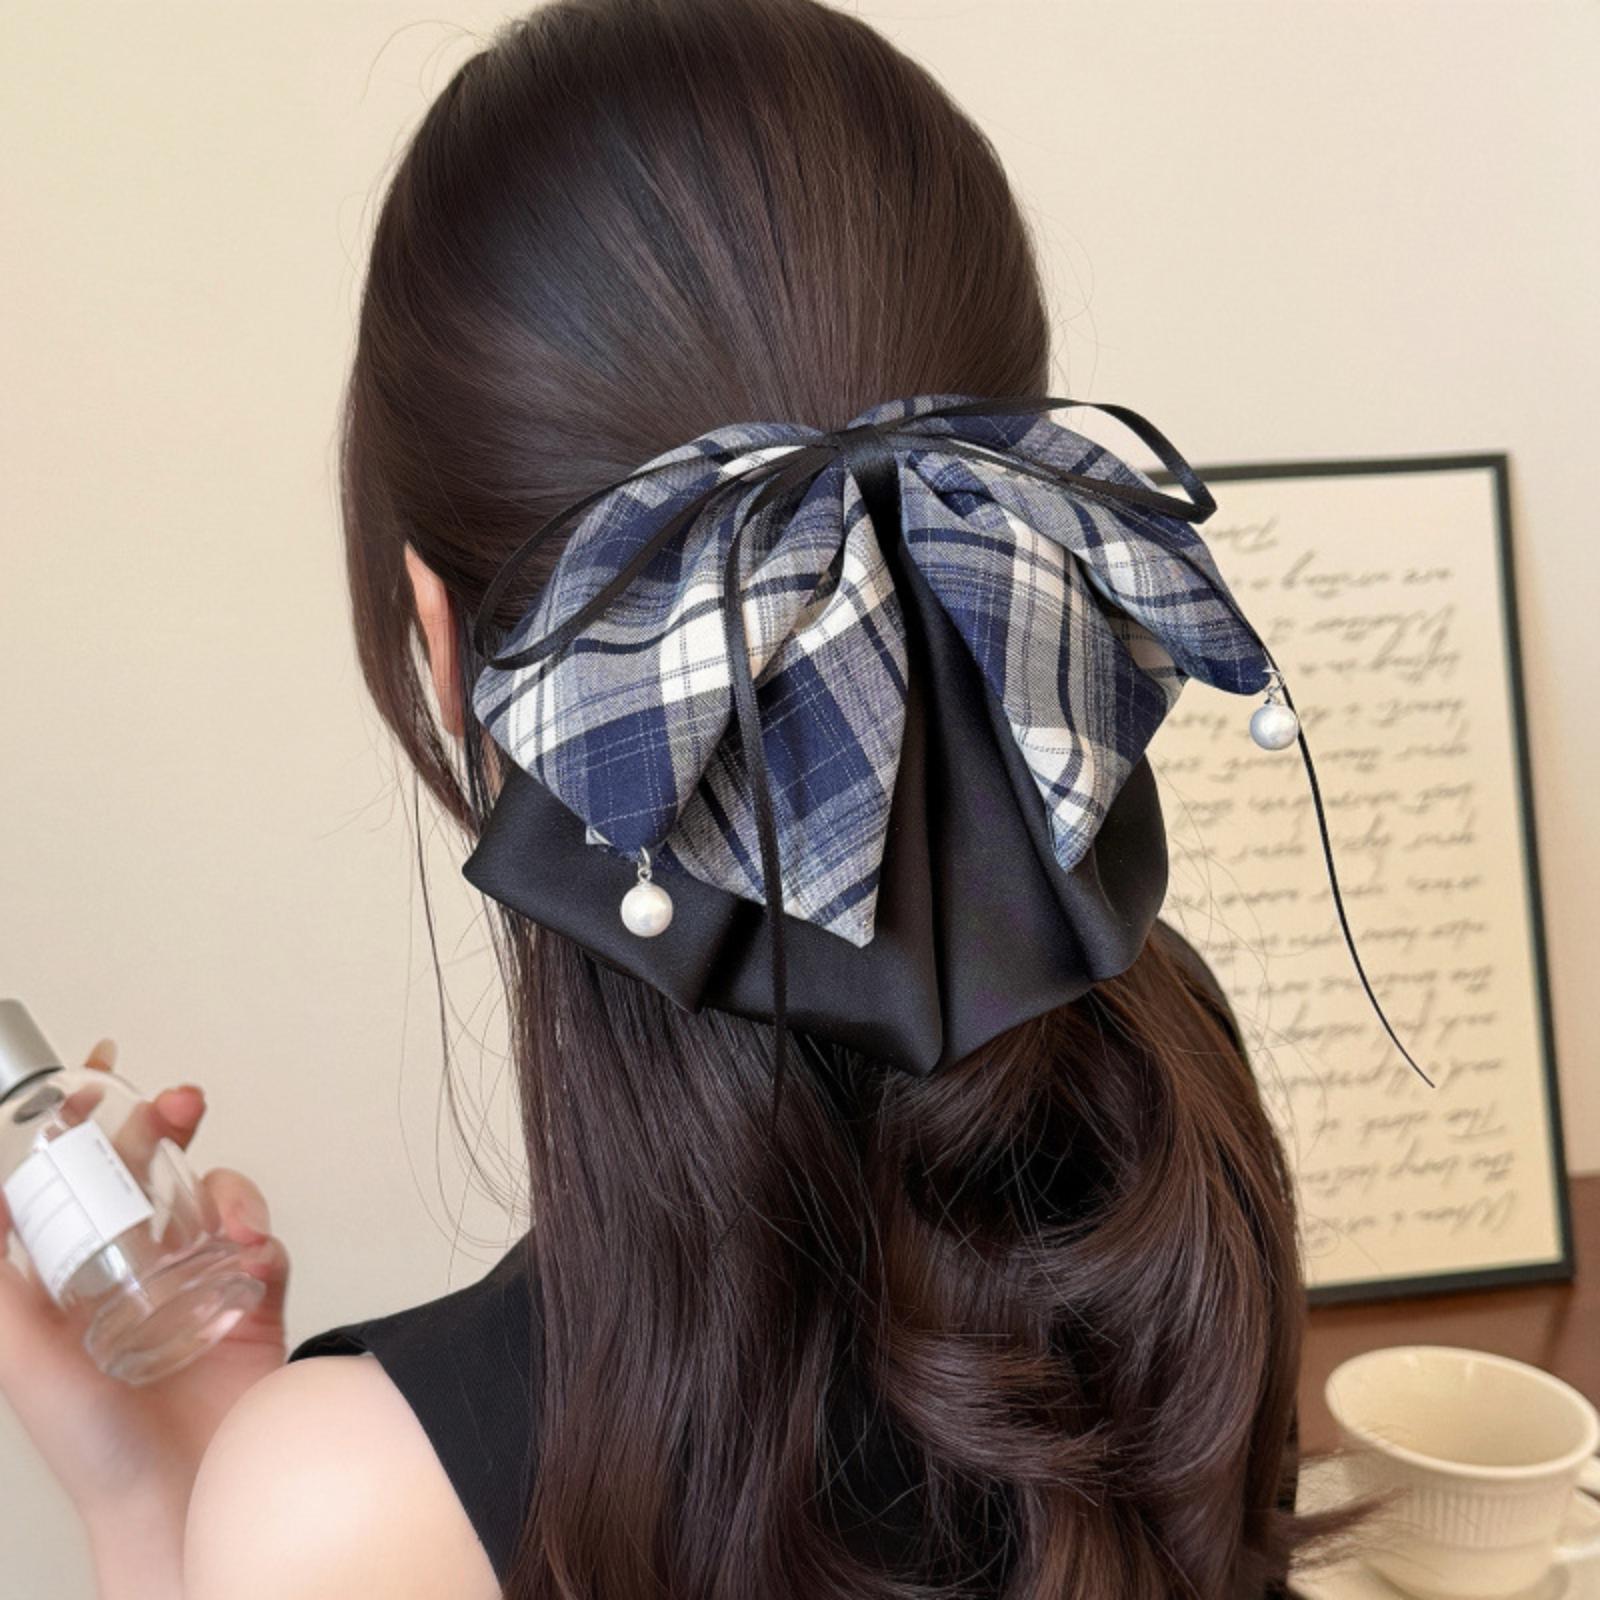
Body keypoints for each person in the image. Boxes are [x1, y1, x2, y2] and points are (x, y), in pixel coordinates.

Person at [0, 1, 1376, 1595]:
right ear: (996, 531)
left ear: (442, 640)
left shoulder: (349, 1506)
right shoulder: (1173, 1108)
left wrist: (162, 1495)